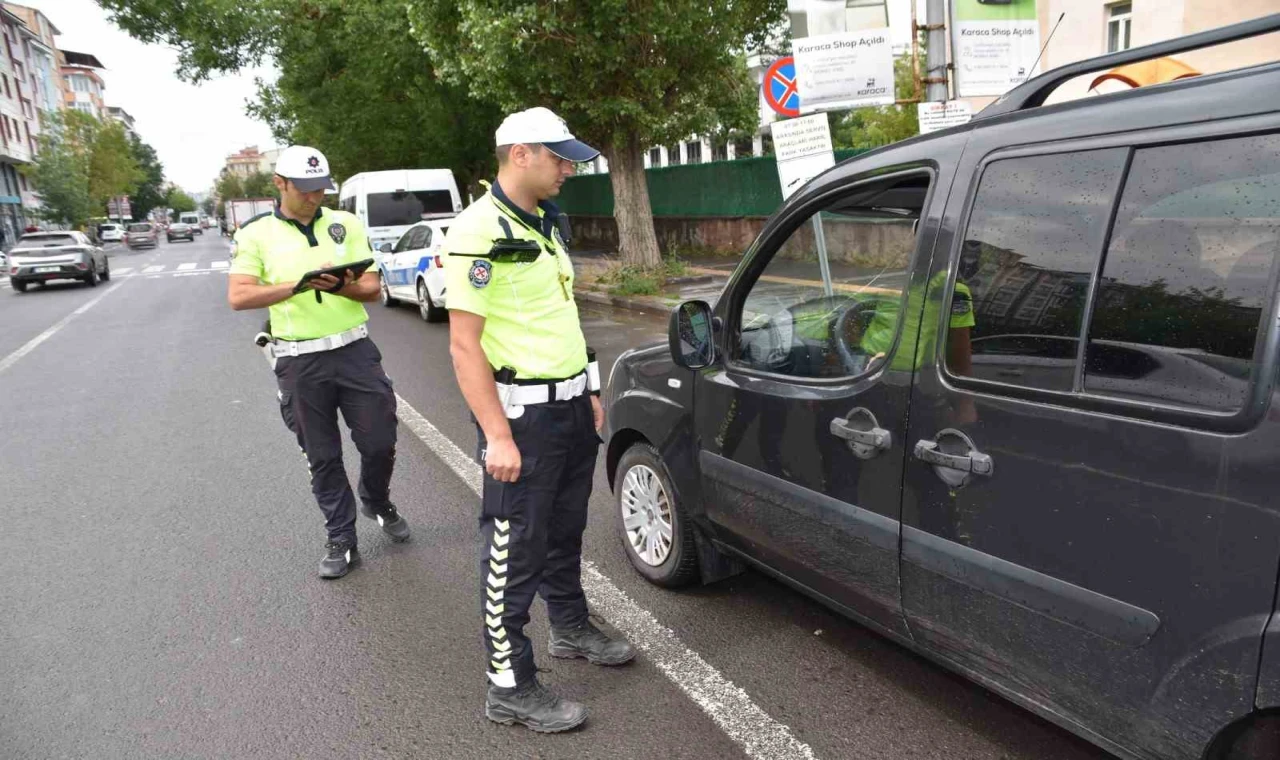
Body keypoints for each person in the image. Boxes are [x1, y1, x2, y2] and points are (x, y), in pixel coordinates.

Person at [443, 107, 635, 733]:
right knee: (511, 551)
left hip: (571, 408)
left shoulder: (545, 224)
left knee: (565, 531)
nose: (568, 170)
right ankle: (510, 686)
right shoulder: (477, 230)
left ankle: (571, 628)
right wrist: (497, 434)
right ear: (520, 153)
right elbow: (464, 345)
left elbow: (563, 312)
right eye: (559, 157)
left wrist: (591, 386)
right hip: (521, 421)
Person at [226, 145, 409, 579]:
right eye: (305, 189)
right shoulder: (255, 234)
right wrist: (300, 286)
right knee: (323, 456)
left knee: (380, 440)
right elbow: (239, 296)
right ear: (279, 184)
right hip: (299, 361)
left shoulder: (346, 223)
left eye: (321, 189)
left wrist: (338, 286)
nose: (314, 197)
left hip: (354, 352)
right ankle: (341, 538)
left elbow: (371, 288)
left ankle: (376, 498)